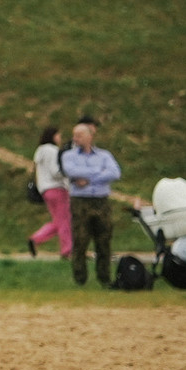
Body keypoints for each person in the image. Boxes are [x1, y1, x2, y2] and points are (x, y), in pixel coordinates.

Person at [60, 117, 123, 288]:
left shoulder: (104, 155)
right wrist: (99, 173)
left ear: (89, 136)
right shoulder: (68, 156)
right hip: (80, 202)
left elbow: (115, 173)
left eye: (79, 135)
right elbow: (71, 170)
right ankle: (80, 278)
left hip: (101, 202)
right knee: (80, 240)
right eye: (74, 135)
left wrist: (89, 178)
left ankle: (105, 278)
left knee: (104, 240)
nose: (75, 138)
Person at [27, 125, 70, 258]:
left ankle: (36, 239)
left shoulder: (39, 151)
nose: (60, 138)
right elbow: (55, 171)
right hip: (57, 188)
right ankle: (67, 250)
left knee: (58, 221)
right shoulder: (53, 151)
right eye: (58, 135)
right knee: (65, 221)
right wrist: (68, 173)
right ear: (53, 136)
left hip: (45, 190)